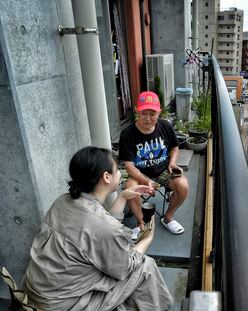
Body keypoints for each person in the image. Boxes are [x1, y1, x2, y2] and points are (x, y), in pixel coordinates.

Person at [22, 146, 173, 311]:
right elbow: (124, 268)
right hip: (65, 305)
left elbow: (98, 231)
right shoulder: (103, 226)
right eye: (117, 170)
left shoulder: (63, 201)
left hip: (37, 294)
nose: (120, 173)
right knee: (145, 266)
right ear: (106, 177)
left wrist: (123, 196)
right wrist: (147, 239)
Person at [119, 91, 189, 235]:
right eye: (144, 113)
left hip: (163, 170)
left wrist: (172, 163)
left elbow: (174, 147)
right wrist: (145, 180)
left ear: (159, 113)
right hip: (140, 173)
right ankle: (141, 223)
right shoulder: (127, 133)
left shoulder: (165, 126)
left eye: (152, 114)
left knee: (183, 185)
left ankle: (168, 218)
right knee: (130, 187)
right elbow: (129, 165)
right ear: (137, 110)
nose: (148, 118)